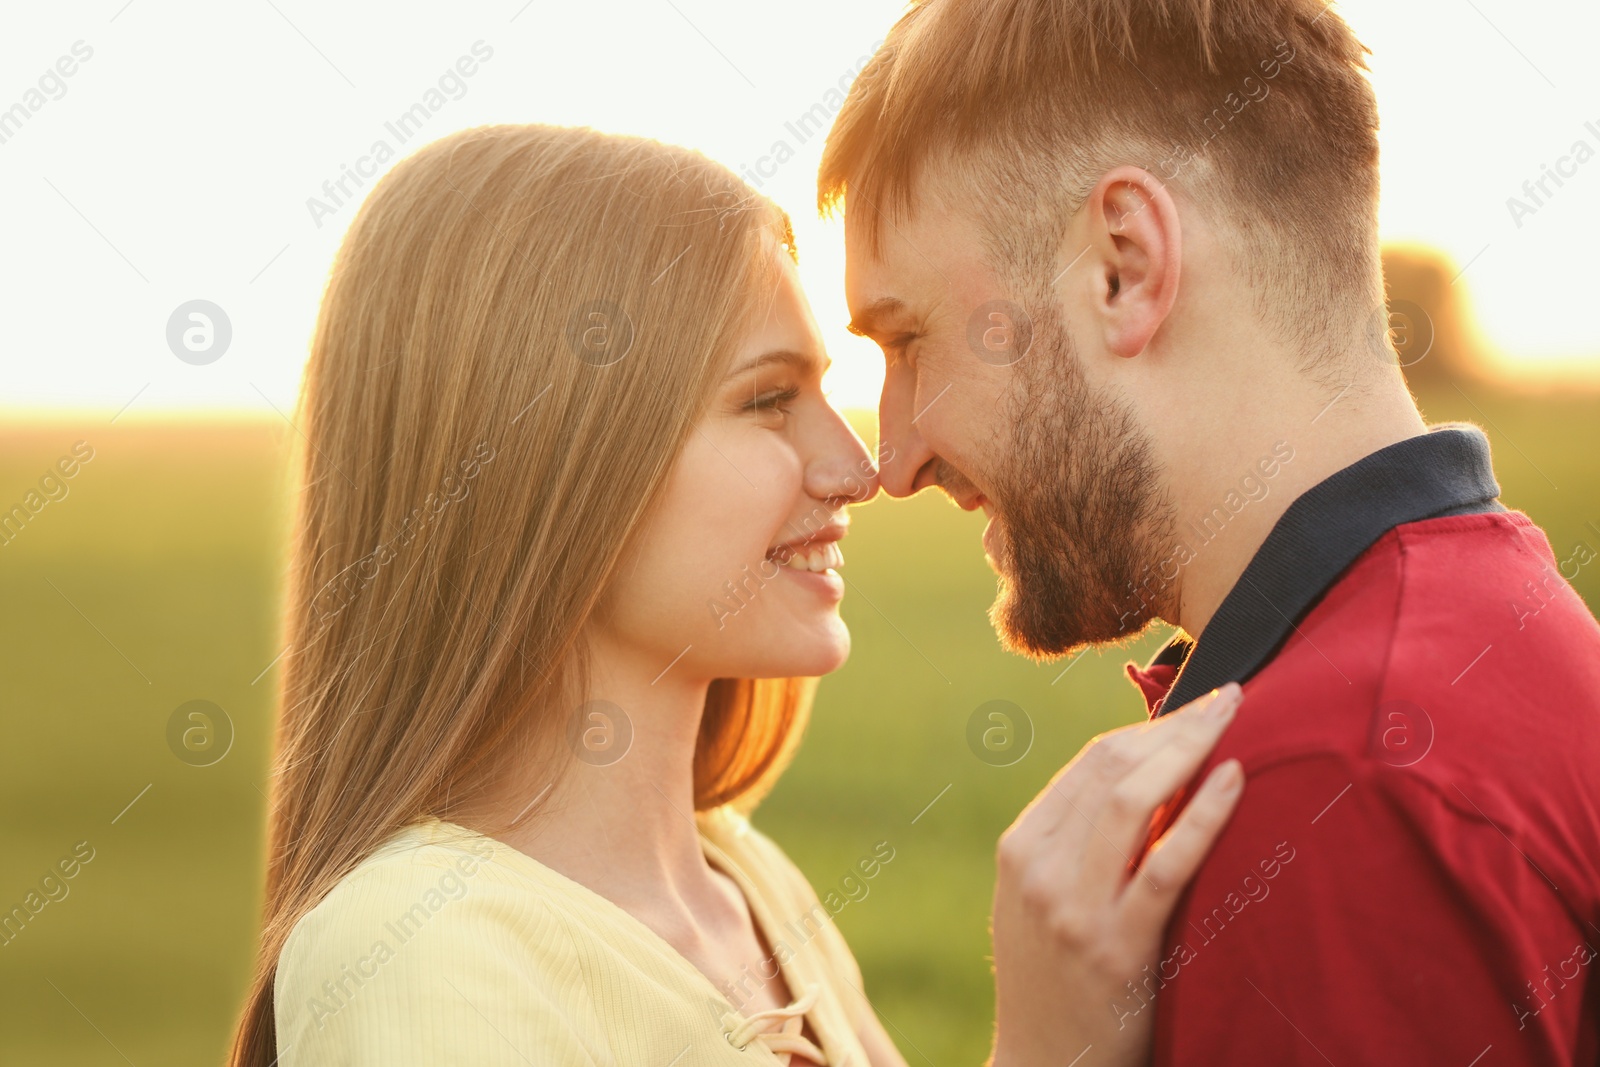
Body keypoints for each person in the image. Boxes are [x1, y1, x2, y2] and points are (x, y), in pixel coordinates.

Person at [226, 124, 1247, 1067]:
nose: (859, 468)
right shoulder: (415, 950)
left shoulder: (748, 885)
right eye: (767, 400)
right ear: (550, 460)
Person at [821, 0, 1600, 1062]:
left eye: (908, 338)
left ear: (1123, 266)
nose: (893, 456)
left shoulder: (1332, 787)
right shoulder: (1481, 623)